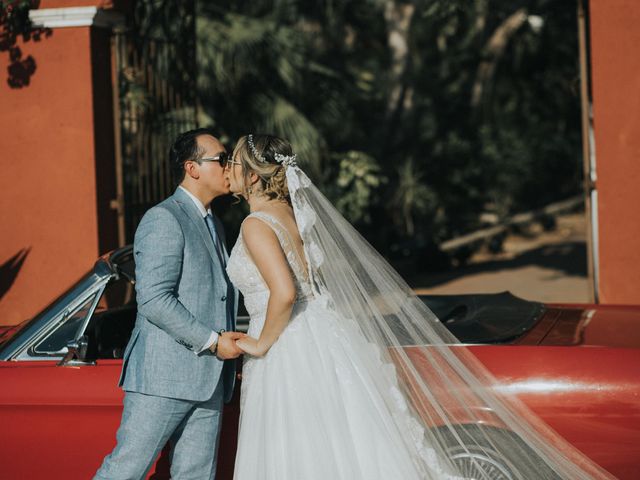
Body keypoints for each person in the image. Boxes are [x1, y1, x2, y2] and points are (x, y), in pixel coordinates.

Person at [224, 134, 614, 480]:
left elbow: (285, 293)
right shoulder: (293, 217)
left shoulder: (255, 225)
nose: (229, 169)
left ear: (254, 177)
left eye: (234, 163)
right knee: (343, 442)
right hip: (320, 336)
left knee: (297, 447)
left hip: (287, 346)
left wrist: (258, 344)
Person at [95, 128, 244, 480]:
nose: (229, 166)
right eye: (220, 159)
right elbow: (154, 300)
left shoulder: (216, 225)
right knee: (125, 470)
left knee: (196, 475)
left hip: (209, 378)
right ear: (192, 168)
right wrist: (212, 340)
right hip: (163, 375)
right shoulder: (164, 218)